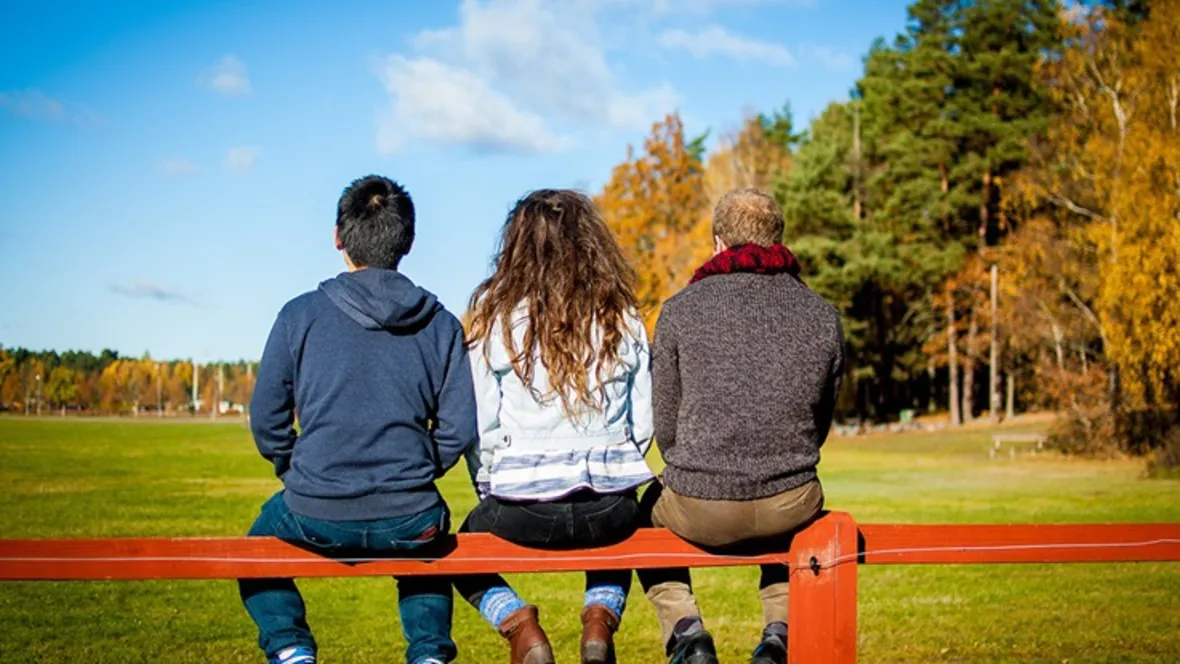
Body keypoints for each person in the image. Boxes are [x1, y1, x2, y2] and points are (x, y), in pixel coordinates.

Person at [239, 175, 477, 664]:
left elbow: (266, 418)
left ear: (337, 236)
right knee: (425, 554)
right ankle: (429, 654)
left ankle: (290, 648)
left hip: (312, 510)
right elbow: (459, 426)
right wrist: (417, 469)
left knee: (254, 552)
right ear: (407, 240)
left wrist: (294, 469)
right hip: (410, 514)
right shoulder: (442, 324)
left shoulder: (298, 316)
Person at [637, 188, 845, 664]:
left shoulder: (680, 309)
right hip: (789, 501)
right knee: (797, 523)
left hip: (697, 504)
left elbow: (664, 424)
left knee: (642, 509)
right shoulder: (822, 315)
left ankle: (685, 630)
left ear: (717, 243)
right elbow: (820, 422)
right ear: (778, 240)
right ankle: (779, 634)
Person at [457, 189, 655, 664]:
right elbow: (642, 425)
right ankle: (599, 620)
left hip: (521, 509)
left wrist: (493, 489)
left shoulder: (497, 321)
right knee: (623, 537)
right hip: (609, 509)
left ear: (517, 245)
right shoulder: (623, 319)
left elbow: (479, 429)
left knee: (459, 550)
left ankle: (519, 625)